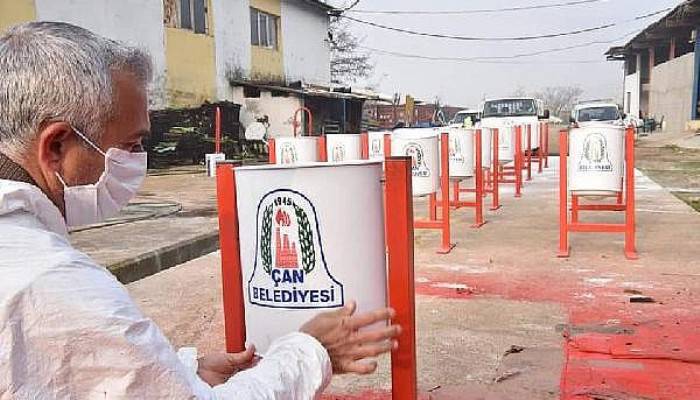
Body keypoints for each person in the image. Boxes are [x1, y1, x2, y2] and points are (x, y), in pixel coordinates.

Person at [0, 22, 401, 399]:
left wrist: (178, 369)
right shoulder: (50, 284)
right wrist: (311, 352)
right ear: (56, 147)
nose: (139, 161)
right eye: (133, 144)